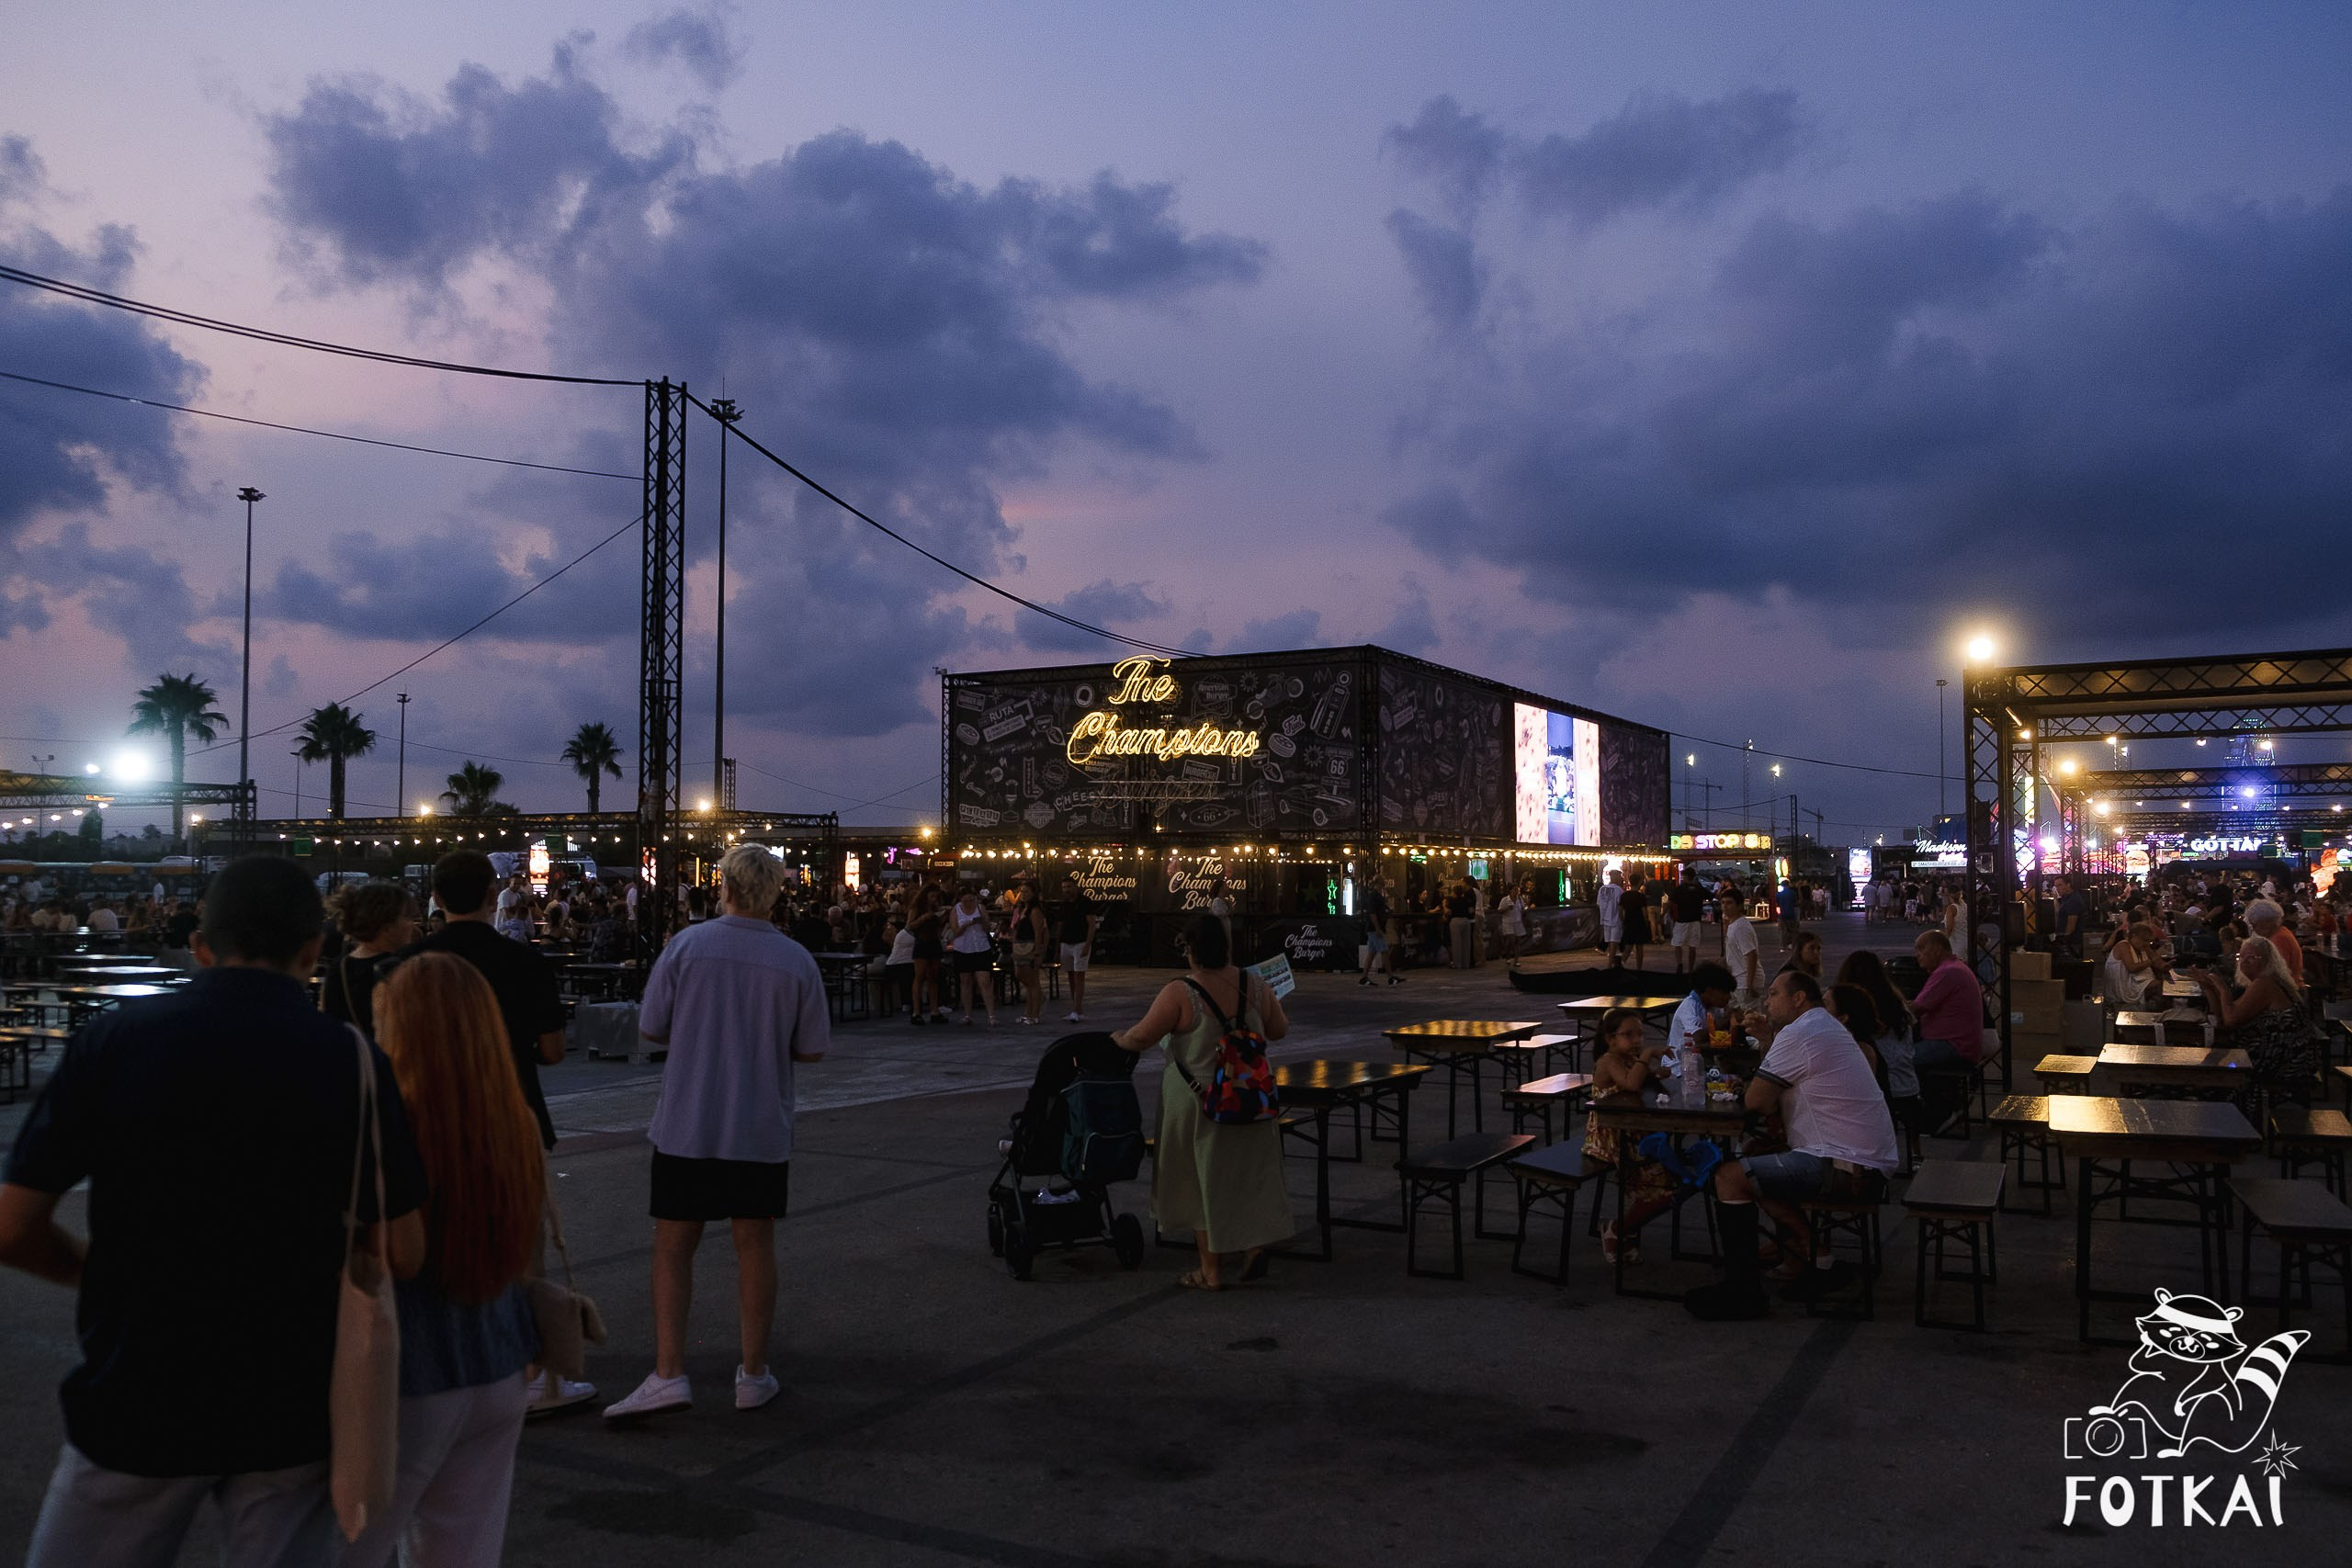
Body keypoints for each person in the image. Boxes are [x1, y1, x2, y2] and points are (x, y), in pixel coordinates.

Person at [0, 856, 427, 1567]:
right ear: (312, 950)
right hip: (291, 1395)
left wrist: (95, 1273)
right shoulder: (351, 1059)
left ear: (200, 945)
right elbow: (405, 1249)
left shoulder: (114, 1039)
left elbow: (13, 1227)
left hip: (137, 1383)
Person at [605, 844, 831, 1420]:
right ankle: (753, 1374)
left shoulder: (687, 947)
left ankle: (668, 1373)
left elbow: (651, 1027)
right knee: (754, 1244)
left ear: (722, 887)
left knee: (673, 1245)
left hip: (689, 1122)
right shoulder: (797, 960)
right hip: (758, 1126)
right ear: (778, 892)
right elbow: (810, 1049)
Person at [345, 954, 544, 1568]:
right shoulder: (516, 1120)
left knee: (346, 1550)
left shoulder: (385, 1124)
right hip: (501, 1363)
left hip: (411, 1373)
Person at [1683, 970, 1900, 1321]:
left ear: (1798, 998)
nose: (1766, 1002)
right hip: (1866, 1161)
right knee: (1757, 1158)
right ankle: (1816, 1256)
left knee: (1729, 1176)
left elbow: (1757, 1101)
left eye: (1773, 994)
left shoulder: (1801, 1032)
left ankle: (1743, 1290)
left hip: (1845, 1167)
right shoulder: (1824, 1027)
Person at [1112, 911, 1291, 1290]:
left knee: (1198, 1181)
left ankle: (1210, 1272)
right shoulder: (1254, 984)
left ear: (1191, 949)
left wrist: (1116, 1039)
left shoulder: (1181, 991)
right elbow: (1279, 1030)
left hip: (1199, 1102)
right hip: (1248, 1096)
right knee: (1245, 1175)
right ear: (1226, 947)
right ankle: (1254, 1244)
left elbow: (1142, 1037)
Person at [1583, 1007, 1678, 1263]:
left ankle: (1623, 1229)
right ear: (1610, 1039)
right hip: (1609, 1137)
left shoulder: (1627, 1059)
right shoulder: (1609, 1061)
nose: (1637, 1040)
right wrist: (1647, 1056)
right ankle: (1617, 1230)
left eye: (1640, 1035)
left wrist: (1657, 1072)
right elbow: (1631, 1083)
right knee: (1660, 1187)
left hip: (1631, 1131)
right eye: (1629, 1035)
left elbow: (1641, 1077)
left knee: (1668, 1183)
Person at [2194, 934, 2317, 1102]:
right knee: (2212, 1059)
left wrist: (2222, 989)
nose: (2244, 961)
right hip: (2280, 1054)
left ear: (2267, 960)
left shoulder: (2265, 984)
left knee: (2212, 1068)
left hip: (2282, 1059)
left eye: (2251, 957)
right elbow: (2224, 1017)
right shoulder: (2262, 982)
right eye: (2241, 956)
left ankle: (2225, 1112)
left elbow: (2231, 1020)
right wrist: (2208, 988)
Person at [322, 880, 420, 1039]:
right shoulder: (400, 969)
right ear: (387, 926)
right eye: (407, 917)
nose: (412, 924)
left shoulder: (339, 967)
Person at [1910, 931, 1986, 1131]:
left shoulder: (1947, 972)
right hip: (1959, 1043)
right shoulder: (1953, 968)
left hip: (1954, 1046)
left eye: (1921, 948)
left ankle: (1937, 1114)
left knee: (1901, 1059)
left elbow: (1916, 1009)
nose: (1917, 954)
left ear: (1936, 949)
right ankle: (1947, 1105)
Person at [946, 886, 997, 1027]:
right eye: (966, 900)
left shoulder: (980, 908)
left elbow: (987, 928)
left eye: (971, 900)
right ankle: (967, 1014)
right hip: (963, 948)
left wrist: (982, 922)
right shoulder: (955, 910)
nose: (969, 903)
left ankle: (991, 1015)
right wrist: (967, 924)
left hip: (981, 947)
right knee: (965, 981)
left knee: (985, 981)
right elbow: (955, 932)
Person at [1011, 885, 1050, 1025]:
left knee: (1033, 982)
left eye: (1027, 891)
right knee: (1025, 980)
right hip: (1020, 948)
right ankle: (1028, 1013)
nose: (1023, 894)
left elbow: (1039, 933)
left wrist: (1038, 952)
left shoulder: (1035, 911)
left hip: (1030, 947)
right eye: (1021, 891)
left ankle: (1034, 1015)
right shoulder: (1021, 909)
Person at [908, 887, 948, 1024]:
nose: (934, 899)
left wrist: (941, 918)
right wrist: (923, 918)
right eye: (932, 896)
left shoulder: (936, 908)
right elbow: (909, 926)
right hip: (922, 942)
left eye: (936, 897)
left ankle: (934, 1010)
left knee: (933, 977)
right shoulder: (917, 908)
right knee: (919, 976)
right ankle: (916, 1012)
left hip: (933, 942)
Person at [1058, 891, 1099, 1021]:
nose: (1066, 889)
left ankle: (1076, 1009)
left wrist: (1088, 944)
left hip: (1080, 942)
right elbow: (1060, 924)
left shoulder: (1085, 902)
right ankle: (1077, 1008)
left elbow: (1091, 924)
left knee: (1079, 975)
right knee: (1071, 974)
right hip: (1066, 942)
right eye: (1064, 887)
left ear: (1075, 887)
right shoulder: (1064, 904)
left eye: (1069, 887)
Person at [2245, 898, 2303, 987]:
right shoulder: (2282, 931)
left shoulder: (2279, 939)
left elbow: (2278, 973)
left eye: (2255, 925)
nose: (2254, 929)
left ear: (2267, 922)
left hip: (2287, 988)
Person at [1720, 896, 1764, 1012]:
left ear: (1739, 906)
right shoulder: (1733, 925)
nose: (1725, 906)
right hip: (1737, 979)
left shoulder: (1740, 927)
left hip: (1744, 980)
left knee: (1750, 1018)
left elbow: (1751, 955)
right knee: (1733, 1014)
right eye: (1723, 902)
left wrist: (1750, 984)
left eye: (1729, 903)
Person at [1360, 875, 1400, 987]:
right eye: (1382, 881)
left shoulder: (1377, 896)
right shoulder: (1374, 896)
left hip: (1373, 928)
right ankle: (1390, 977)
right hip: (1374, 929)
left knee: (1372, 953)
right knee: (1385, 951)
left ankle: (1364, 978)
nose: (1384, 882)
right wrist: (1377, 928)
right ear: (1378, 883)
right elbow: (1372, 913)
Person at [1667, 869, 1707, 973]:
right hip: (1695, 920)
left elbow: (1670, 902)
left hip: (1681, 920)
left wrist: (1671, 914)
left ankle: (1679, 963)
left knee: (1677, 943)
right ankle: (1691, 968)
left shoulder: (1679, 889)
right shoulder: (1699, 888)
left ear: (1684, 876)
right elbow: (1711, 896)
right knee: (1693, 946)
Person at [1620, 874, 1652, 970]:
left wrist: (1623, 921)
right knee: (1639, 947)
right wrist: (1647, 921)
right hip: (1639, 923)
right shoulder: (1641, 896)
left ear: (1629, 881)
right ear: (1639, 882)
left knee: (1628, 946)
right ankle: (1639, 968)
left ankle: (1620, 963)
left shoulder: (1624, 895)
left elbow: (1620, 911)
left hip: (1628, 922)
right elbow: (1644, 912)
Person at [493, 873, 532, 943]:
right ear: (510, 882)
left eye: (519, 884)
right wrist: (519, 923)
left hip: (512, 931)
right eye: (515, 883)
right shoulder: (504, 895)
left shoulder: (517, 895)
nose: (517, 886)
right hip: (503, 932)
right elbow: (506, 915)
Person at [1446, 878, 1476, 969]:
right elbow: (1471, 911)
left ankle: (1457, 964)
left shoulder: (1452, 901)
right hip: (1466, 921)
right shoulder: (1466, 900)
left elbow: (1449, 912)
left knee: (1456, 944)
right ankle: (1466, 963)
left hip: (1456, 921)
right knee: (1466, 943)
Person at [1597, 869, 1626, 961]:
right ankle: (1610, 963)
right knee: (1614, 941)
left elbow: (1598, 904)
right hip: (1615, 919)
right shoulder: (1619, 890)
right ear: (1616, 877)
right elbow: (1620, 907)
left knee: (1609, 941)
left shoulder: (1602, 889)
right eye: (1620, 876)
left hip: (1605, 918)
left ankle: (1611, 958)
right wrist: (1623, 919)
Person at [1495, 884, 1525, 966]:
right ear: (1510, 891)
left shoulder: (1520, 899)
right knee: (1511, 940)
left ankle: (1516, 960)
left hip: (1518, 921)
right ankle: (1509, 956)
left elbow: (1523, 908)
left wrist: (1524, 911)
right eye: (1515, 890)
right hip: (1508, 922)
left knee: (1517, 941)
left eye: (1517, 890)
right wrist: (1507, 908)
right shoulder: (1505, 900)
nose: (1516, 892)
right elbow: (1499, 910)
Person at [1776, 877, 1802, 948]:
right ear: (1788, 885)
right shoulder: (1792, 893)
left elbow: (1777, 904)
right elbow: (1796, 902)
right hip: (1791, 913)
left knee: (1783, 931)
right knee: (1793, 930)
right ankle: (1791, 944)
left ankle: (1783, 945)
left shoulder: (1778, 894)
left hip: (1782, 914)